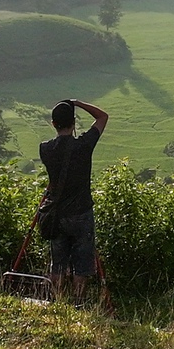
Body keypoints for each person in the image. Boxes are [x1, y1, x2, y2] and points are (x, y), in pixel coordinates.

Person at [37, 98, 110, 300]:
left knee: (57, 263)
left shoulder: (45, 149)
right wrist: (78, 103)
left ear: (53, 124)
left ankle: (57, 302)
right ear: (74, 123)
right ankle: (78, 304)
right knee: (82, 265)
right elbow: (103, 117)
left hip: (56, 213)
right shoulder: (84, 146)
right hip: (81, 212)